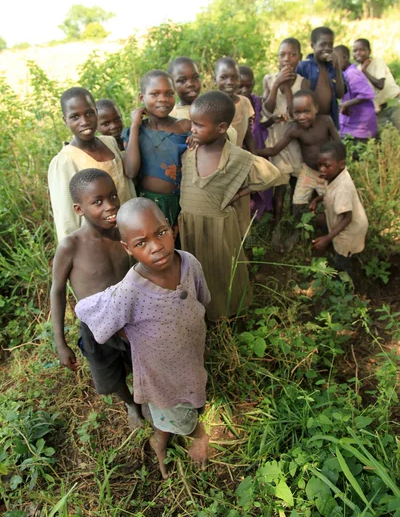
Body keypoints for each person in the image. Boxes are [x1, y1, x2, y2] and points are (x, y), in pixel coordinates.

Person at [75, 198, 211, 479]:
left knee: (181, 400)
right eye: (141, 243)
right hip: (159, 370)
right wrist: (127, 333)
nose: (156, 246)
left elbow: (201, 299)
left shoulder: (189, 263)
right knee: (182, 416)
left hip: (190, 355)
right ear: (128, 248)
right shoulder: (129, 291)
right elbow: (89, 311)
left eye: (160, 232)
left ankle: (159, 440)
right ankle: (199, 436)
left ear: (172, 227)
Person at [50, 169, 143, 428]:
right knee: (110, 377)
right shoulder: (71, 246)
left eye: (113, 196)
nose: (110, 206)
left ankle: (147, 397)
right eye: (98, 201)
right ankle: (131, 403)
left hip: (132, 318)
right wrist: (60, 342)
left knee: (142, 363)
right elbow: (57, 291)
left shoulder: (122, 233)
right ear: (79, 209)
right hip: (97, 328)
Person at [179, 91, 280, 322]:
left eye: (198, 125)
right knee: (196, 273)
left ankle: (227, 317)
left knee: (222, 272)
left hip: (219, 228)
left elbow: (271, 175)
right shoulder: (190, 149)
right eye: (192, 123)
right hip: (190, 226)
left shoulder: (236, 157)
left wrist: (240, 193)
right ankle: (202, 316)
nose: (192, 129)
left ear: (222, 127)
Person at [48, 87, 135, 241]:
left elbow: (127, 188)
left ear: (96, 112)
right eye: (75, 117)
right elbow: (66, 217)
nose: (85, 121)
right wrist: (74, 251)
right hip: (97, 241)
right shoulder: (65, 161)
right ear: (65, 120)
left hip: (128, 229)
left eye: (89, 113)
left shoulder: (109, 143)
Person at [258, 90, 340, 249]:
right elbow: (275, 150)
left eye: (306, 111)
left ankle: (331, 236)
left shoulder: (326, 121)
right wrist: (253, 151)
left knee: (332, 204)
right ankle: (298, 233)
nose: (302, 116)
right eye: (297, 113)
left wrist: (335, 169)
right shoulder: (295, 129)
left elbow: (338, 144)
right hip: (308, 172)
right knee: (298, 202)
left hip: (328, 174)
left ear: (316, 108)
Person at [122, 70, 191, 233]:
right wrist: (135, 126)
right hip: (149, 204)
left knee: (182, 243)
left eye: (169, 94)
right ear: (141, 98)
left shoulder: (185, 127)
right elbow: (131, 171)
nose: (163, 99)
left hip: (181, 201)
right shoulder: (136, 132)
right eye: (154, 94)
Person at [262, 38, 308, 241]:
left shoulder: (302, 82)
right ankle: (277, 225)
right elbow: (267, 109)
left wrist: (287, 86)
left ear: (299, 57)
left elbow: (294, 112)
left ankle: (297, 226)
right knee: (279, 187)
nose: (287, 59)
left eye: (292, 54)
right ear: (277, 58)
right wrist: (276, 85)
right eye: (282, 55)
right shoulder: (269, 79)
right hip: (276, 138)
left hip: (295, 140)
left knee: (297, 184)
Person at [310, 141, 368, 275]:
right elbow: (329, 192)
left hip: (350, 229)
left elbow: (348, 218)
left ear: (341, 164)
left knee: (343, 260)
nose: (321, 169)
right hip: (343, 221)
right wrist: (317, 199)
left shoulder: (343, 187)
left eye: (326, 165)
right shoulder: (333, 175)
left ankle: (348, 286)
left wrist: (327, 238)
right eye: (319, 165)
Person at [213, 57, 257, 236]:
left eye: (234, 77)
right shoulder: (210, 104)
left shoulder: (245, 103)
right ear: (214, 79)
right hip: (217, 167)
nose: (230, 82)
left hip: (240, 164)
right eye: (223, 77)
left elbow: (248, 135)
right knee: (221, 208)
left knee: (242, 208)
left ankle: (243, 247)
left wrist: (254, 160)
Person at [168, 56, 238, 144]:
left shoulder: (211, 105)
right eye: (182, 81)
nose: (190, 84)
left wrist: (208, 136)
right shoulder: (171, 114)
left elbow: (231, 133)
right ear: (171, 85)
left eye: (195, 78)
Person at [238, 65, 273, 220]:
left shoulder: (257, 101)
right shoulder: (233, 103)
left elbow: (257, 125)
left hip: (256, 147)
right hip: (241, 150)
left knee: (259, 183)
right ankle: (244, 214)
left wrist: (271, 121)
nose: (245, 90)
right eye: (241, 86)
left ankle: (259, 215)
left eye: (249, 86)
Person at [296, 27, 345, 129]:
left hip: (329, 122)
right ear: (313, 46)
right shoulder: (303, 67)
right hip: (308, 123)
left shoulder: (333, 68)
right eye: (322, 44)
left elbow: (340, 94)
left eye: (330, 45)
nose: (327, 48)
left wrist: (337, 67)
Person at [353, 38, 400, 131]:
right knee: (386, 137)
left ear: (369, 51)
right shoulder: (357, 71)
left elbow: (380, 85)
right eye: (355, 51)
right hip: (379, 110)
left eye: (362, 50)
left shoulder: (377, 62)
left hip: (394, 102)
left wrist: (364, 71)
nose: (358, 53)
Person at [334, 45, 377, 142]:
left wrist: (346, 104)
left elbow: (366, 94)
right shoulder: (344, 74)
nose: (334, 64)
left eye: (336, 61)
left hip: (360, 127)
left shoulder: (352, 73)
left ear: (345, 58)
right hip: (351, 125)